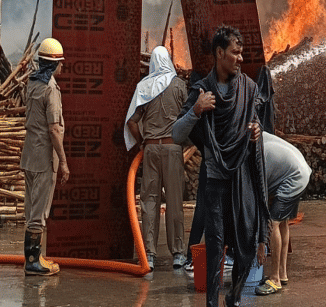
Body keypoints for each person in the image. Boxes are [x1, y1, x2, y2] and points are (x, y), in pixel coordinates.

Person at [172, 25, 269, 307]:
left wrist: (256, 131)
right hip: (214, 181)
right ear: (219, 53)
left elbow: (253, 123)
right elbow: (176, 133)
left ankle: (234, 298)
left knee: (246, 244)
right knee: (215, 247)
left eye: (241, 53)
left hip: (243, 177)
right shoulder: (203, 90)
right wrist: (196, 110)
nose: (240, 58)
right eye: (235, 53)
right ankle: (212, 304)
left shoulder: (249, 88)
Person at [124, 46, 188, 270]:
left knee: (149, 202)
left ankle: (148, 254)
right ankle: (178, 254)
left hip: (150, 150)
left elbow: (132, 122)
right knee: (174, 201)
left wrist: (143, 142)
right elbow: (189, 115)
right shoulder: (179, 85)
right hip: (172, 149)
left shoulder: (144, 86)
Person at [20, 37, 69, 276]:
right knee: (39, 212)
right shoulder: (50, 88)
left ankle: (34, 257)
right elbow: (54, 129)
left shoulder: (31, 82)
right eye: (60, 62)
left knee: (31, 209)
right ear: (54, 64)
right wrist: (64, 162)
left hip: (29, 155)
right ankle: (33, 262)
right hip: (43, 158)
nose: (63, 66)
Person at [254, 132, 312, 296]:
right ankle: (282, 274)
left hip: (293, 178)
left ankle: (275, 279)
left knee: (273, 223)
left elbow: (261, 200)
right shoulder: (259, 135)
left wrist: (261, 242)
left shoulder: (256, 155)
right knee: (283, 222)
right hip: (300, 171)